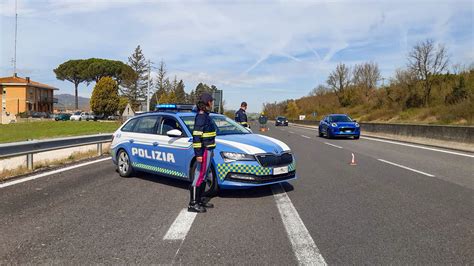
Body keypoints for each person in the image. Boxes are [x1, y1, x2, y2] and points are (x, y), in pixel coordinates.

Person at [189, 93, 217, 213]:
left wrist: (211, 150)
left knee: (204, 176)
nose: (212, 103)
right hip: (204, 151)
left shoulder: (205, 115)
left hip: (208, 149)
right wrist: (199, 154)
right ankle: (193, 204)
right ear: (207, 102)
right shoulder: (201, 116)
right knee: (199, 176)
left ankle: (200, 200)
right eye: (211, 101)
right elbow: (196, 137)